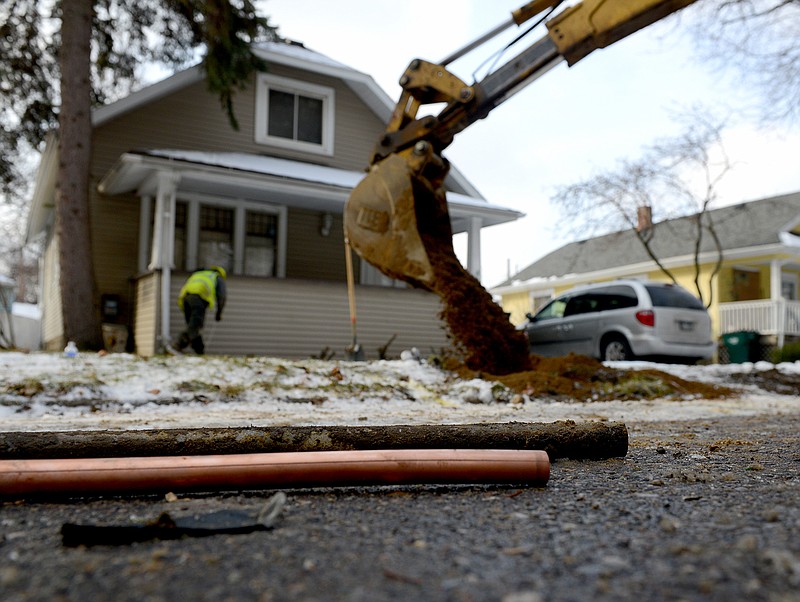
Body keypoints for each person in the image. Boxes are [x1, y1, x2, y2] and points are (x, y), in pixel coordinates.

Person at [173, 266, 227, 355]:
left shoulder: (198, 274)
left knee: (194, 327)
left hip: (185, 299)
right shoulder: (216, 276)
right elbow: (222, 296)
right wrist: (219, 313)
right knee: (194, 326)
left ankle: (199, 351)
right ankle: (178, 346)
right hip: (198, 299)